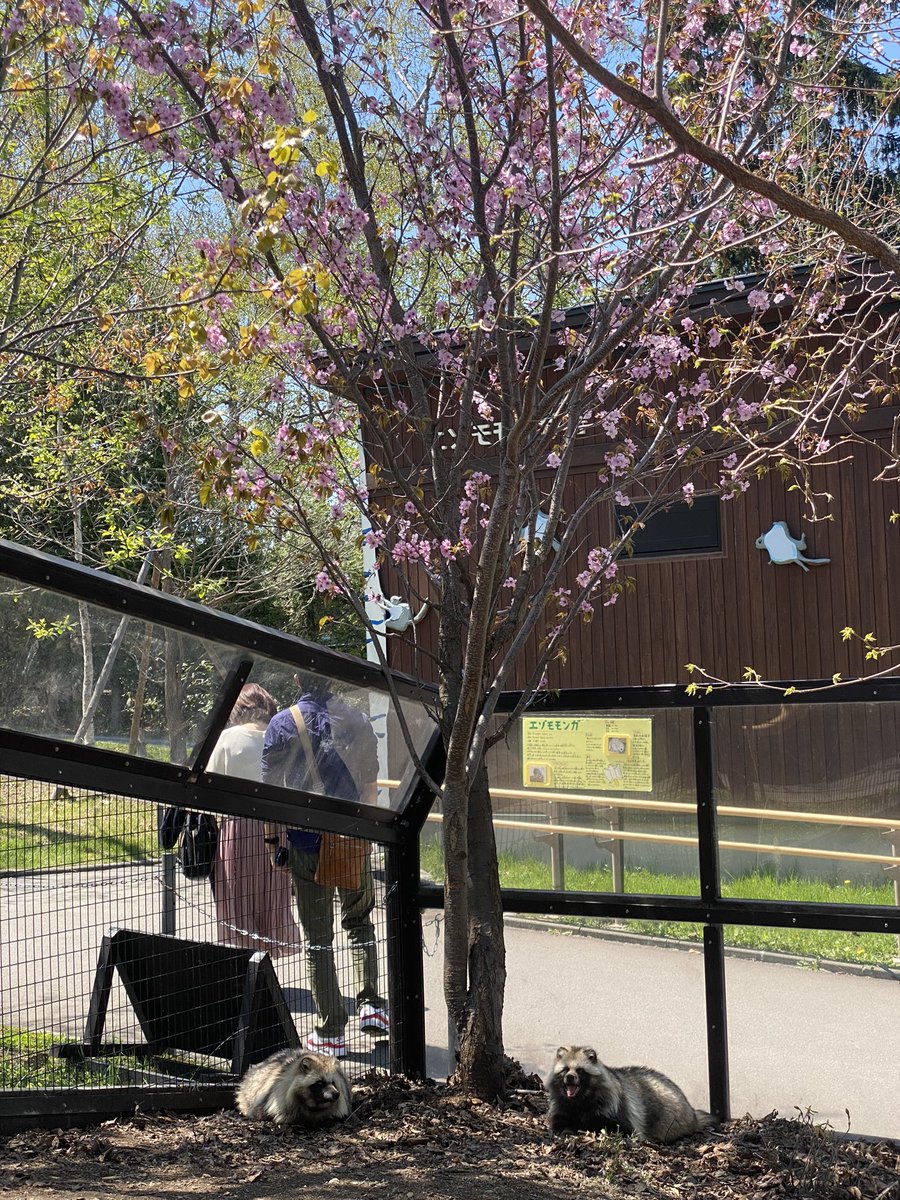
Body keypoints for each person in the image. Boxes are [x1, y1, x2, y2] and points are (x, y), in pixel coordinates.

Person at [261, 681, 388, 1057]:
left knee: (318, 938)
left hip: (306, 840)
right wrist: (368, 838)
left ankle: (331, 1030)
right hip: (352, 836)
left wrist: (273, 843)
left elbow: (271, 793)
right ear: (333, 682)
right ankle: (372, 1006)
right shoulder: (359, 722)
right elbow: (370, 788)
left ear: (295, 681)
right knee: (360, 919)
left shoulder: (282, 724)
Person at [206, 683, 300, 958]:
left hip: (237, 828)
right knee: (272, 897)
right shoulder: (282, 737)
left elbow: (210, 790)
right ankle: (267, 962)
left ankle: (244, 967)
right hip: (277, 827)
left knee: (237, 897)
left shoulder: (228, 739)